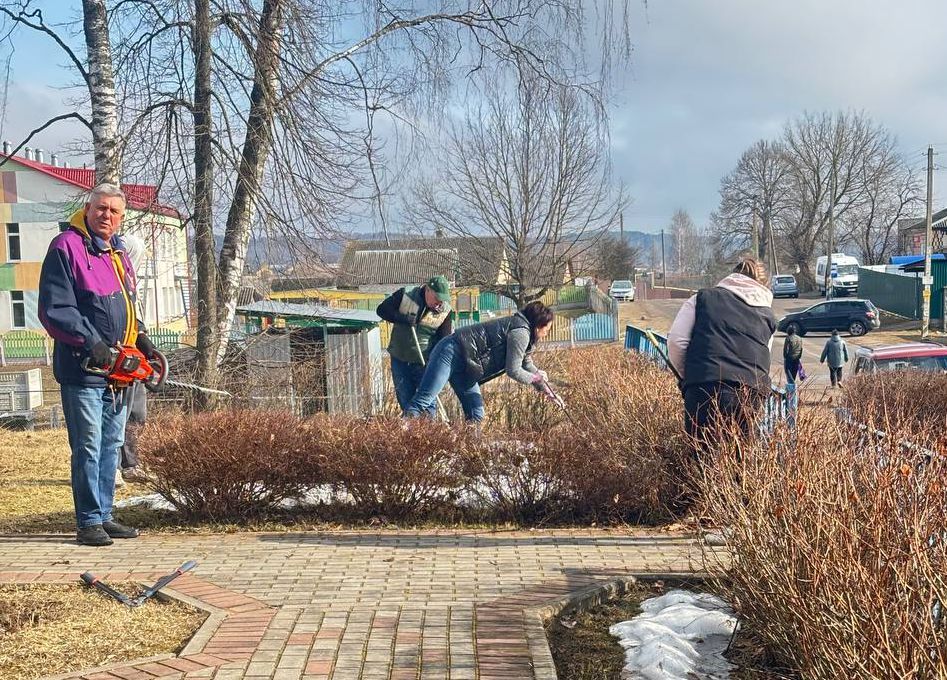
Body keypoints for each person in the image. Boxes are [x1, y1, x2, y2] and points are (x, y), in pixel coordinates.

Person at [38, 184, 157, 546]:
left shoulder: (118, 252)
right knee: (88, 444)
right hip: (83, 368)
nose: (107, 216)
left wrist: (143, 342)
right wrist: (90, 341)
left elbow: (127, 308)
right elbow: (56, 309)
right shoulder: (67, 248)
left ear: (122, 218)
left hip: (119, 372)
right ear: (87, 209)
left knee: (111, 443)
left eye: (114, 211)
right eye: (101, 208)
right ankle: (88, 520)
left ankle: (105, 515)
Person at [667, 256, 776, 452]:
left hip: (704, 387)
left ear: (732, 275)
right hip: (749, 392)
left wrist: (688, 376)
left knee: (701, 460)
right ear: (763, 285)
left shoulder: (702, 299)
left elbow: (677, 341)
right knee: (738, 462)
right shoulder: (768, 316)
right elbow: (765, 357)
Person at [404, 300, 558, 422]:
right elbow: (514, 370)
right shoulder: (521, 333)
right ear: (538, 326)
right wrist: (536, 378)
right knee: (424, 399)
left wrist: (548, 391)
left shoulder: (526, 335)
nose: (547, 333)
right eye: (547, 329)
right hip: (451, 351)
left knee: (476, 414)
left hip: (467, 367)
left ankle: (470, 455)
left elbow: (526, 364)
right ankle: (401, 434)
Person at [376, 276, 454, 416]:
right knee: (406, 401)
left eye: (442, 300)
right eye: (437, 298)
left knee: (427, 402)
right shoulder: (406, 295)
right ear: (428, 290)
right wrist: (402, 318)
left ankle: (432, 432)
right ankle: (411, 434)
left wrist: (435, 363)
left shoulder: (445, 311)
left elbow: (444, 341)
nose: (439, 303)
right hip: (400, 358)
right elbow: (382, 310)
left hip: (425, 363)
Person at [114, 234, 150, 486]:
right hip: (115, 357)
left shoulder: (131, 285)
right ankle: (112, 466)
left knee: (137, 412)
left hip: (134, 355)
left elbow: (135, 317)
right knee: (115, 414)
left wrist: (145, 340)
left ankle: (132, 463)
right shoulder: (110, 281)